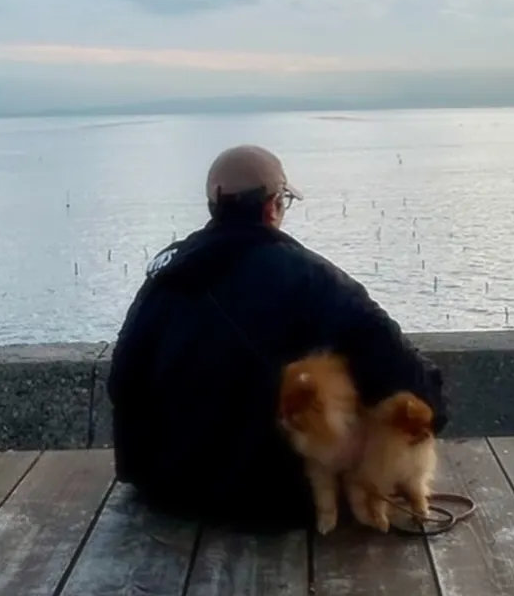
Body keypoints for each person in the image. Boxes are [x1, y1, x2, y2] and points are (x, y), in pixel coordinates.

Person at [106, 143, 447, 528]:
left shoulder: (167, 272)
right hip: (270, 500)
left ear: (214, 207)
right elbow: (391, 357)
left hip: (166, 490)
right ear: (272, 207)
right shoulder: (310, 276)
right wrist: (433, 409)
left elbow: (121, 381)